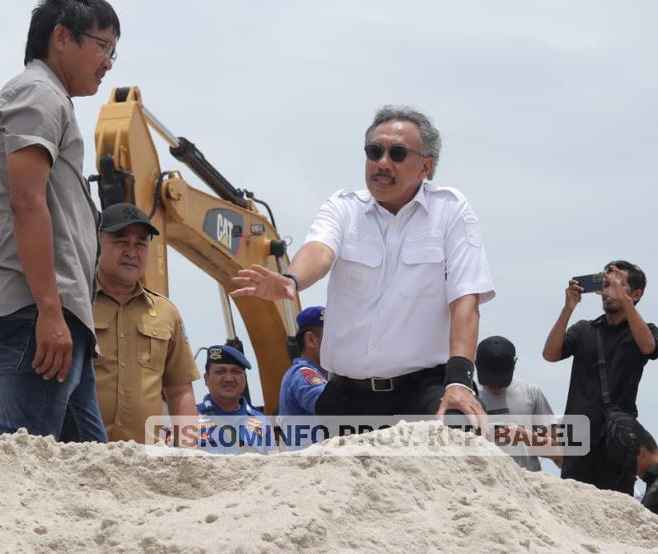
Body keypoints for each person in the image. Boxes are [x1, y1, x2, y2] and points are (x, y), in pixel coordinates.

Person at [231, 106, 495, 421]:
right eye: (374, 151)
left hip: (423, 389)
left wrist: (460, 380)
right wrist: (291, 279)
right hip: (346, 395)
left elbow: (466, 300)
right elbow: (320, 250)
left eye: (397, 153)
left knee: (459, 429)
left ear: (426, 166)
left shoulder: (451, 211)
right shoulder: (344, 208)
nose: (382, 163)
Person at [0, 0, 120, 441]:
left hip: (54, 311)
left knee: (88, 465)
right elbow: (27, 201)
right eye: (103, 46)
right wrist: (49, 312)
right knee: (20, 456)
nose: (109, 63)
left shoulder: (50, 99)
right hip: (35, 309)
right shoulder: (38, 94)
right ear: (61, 36)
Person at [542, 261, 658, 494]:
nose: (609, 291)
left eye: (618, 284)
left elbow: (648, 347)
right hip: (577, 432)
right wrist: (568, 308)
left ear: (637, 294)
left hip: (616, 436)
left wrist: (625, 302)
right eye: (606, 284)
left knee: (615, 508)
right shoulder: (585, 329)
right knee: (573, 504)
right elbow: (550, 354)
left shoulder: (643, 331)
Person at [92, 203, 199, 444]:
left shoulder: (166, 313)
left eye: (141, 242)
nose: (132, 251)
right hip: (79, 454)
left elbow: (180, 390)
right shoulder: (76, 305)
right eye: (121, 240)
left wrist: (189, 454)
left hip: (145, 463)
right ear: (97, 242)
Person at [476, 335, 557, 471]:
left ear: (515, 364)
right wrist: (484, 437)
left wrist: (525, 436)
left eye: (502, 381)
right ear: (475, 363)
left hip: (526, 483)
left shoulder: (532, 393)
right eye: (489, 381)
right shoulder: (468, 397)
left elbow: (557, 452)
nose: (496, 386)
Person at [197, 345, 274, 454]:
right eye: (220, 372)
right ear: (206, 379)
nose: (229, 379)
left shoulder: (261, 421)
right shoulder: (188, 419)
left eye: (236, 372)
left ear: (245, 379)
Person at [278, 306, 328, 416]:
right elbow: (330, 407)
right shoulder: (303, 374)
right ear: (311, 340)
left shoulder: (323, 375)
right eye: (332, 336)